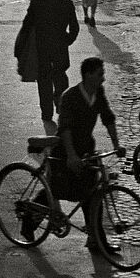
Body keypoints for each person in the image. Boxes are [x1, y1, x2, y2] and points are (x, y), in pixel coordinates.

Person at [53, 57, 125, 252]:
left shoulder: (97, 93)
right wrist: (71, 155)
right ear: (88, 75)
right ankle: (28, 222)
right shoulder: (70, 97)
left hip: (86, 149)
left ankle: (96, 240)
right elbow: (65, 128)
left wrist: (116, 144)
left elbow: (107, 117)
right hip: (65, 151)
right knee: (58, 189)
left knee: (92, 194)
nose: (103, 78)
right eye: (100, 74)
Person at [14, 0, 81, 129]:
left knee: (43, 82)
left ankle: (46, 113)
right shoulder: (67, 3)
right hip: (60, 49)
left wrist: (20, 49)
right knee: (60, 77)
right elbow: (75, 28)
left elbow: (26, 27)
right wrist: (66, 41)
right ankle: (61, 105)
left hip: (41, 50)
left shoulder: (36, 4)